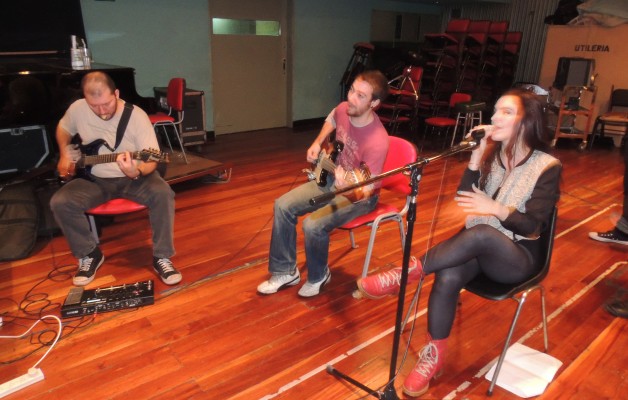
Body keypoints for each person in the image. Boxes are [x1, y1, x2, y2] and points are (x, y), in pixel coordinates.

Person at [357, 88, 562, 397]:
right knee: (449, 273)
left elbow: (534, 225)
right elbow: (465, 199)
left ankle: (404, 273)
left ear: (527, 120)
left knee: (480, 234)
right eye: (495, 110)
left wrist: (495, 209)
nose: (494, 117)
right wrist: (476, 159)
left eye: (506, 111)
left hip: (517, 258)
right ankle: (433, 357)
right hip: (480, 248)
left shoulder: (547, 166)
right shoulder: (495, 157)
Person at [257, 70, 390, 297]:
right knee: (282, 205)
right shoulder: (343, 110)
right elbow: (332, 118)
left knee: (312, 225)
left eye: (360, 96)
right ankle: (285, 271)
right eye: (351, 90)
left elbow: (366, 190)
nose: (351, 98)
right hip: (330, 178)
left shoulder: (378, 140)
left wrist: (345, 185)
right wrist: (318, 143)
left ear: (374, 103)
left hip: (359, 196)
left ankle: (319, 275)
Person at [50, 71, 181, 286]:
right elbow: (63, 128)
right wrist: (64, 151)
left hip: (134, 177)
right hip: (95, 179)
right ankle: (90, 254)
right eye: (95, 106)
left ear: (116, 94)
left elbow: (152, 159)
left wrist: (135, 171)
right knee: (60, 202)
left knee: (163, 194)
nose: (101, 111)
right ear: (85, 98)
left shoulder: (136, 116)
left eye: (107, 104)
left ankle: (162, 256)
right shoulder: (78, 109)